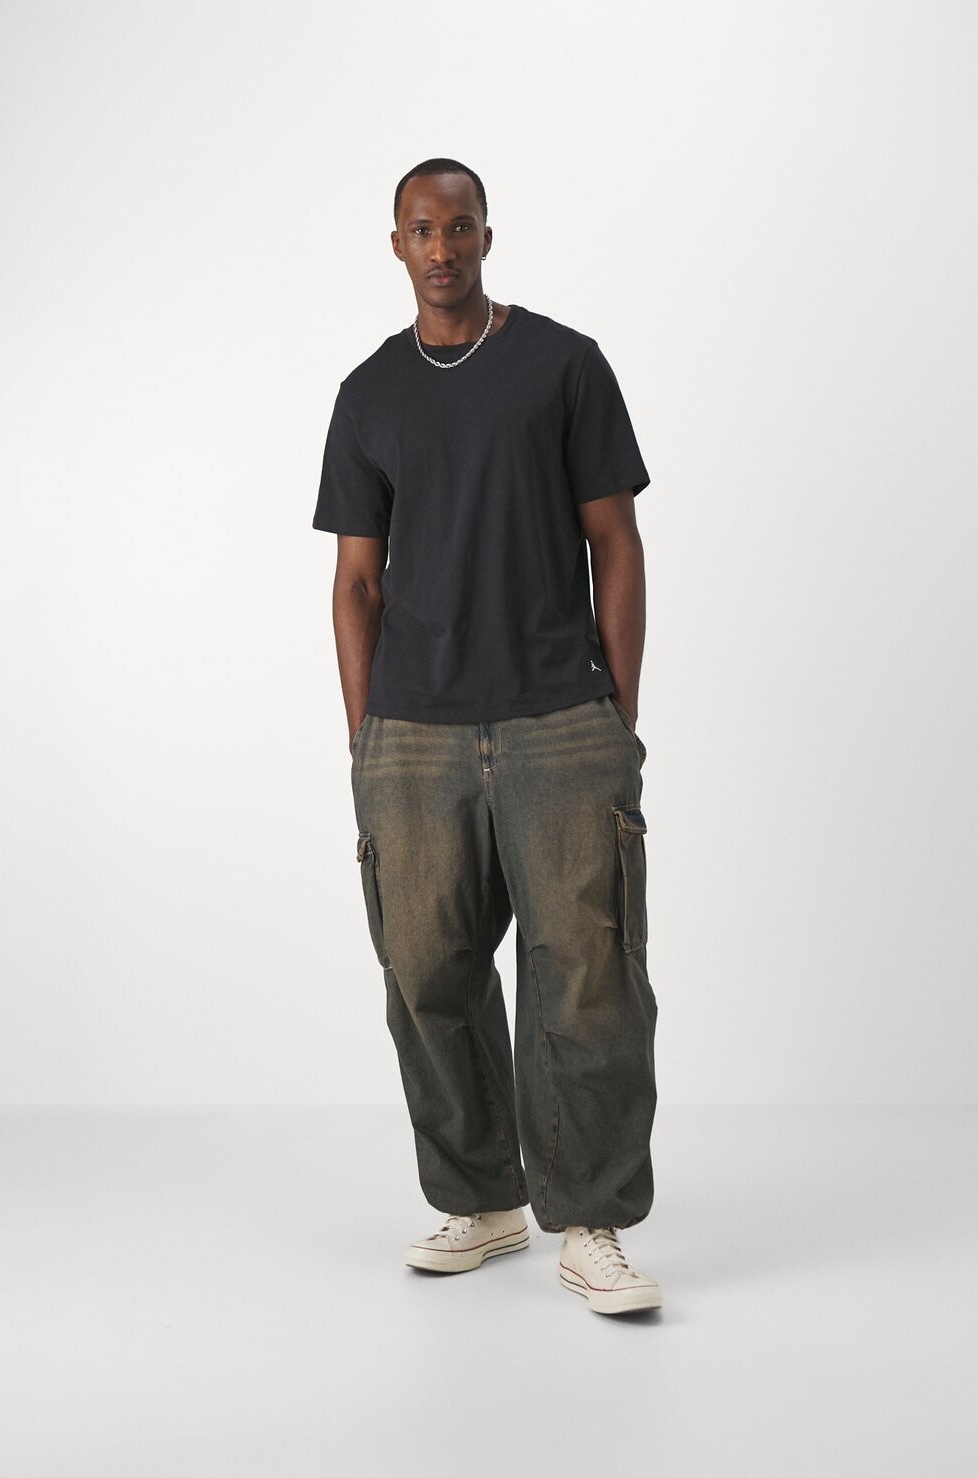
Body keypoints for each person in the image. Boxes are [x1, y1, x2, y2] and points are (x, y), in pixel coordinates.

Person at [312, 157, 661, 1316]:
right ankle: (481, 1197)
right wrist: (366, 736)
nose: (442, 247)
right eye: (422, 229)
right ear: (396, 245)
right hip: (413, 729)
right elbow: (354, 582)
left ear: (486, 237)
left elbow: (615, 540)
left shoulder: (563, 364)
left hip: (559, 717)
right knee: (424, 970)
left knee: (589, 976)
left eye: (459, 226)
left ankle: (591, 1218)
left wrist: (614, 710)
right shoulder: (368, 393)